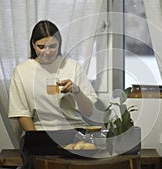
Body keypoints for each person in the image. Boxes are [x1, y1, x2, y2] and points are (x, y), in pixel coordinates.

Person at [8, 20, 97, 169]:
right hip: (40, 133)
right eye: (41, 47)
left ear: (59, 45)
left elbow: (89, 112)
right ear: (33, 45)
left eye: (52, 46)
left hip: (74, 131)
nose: (47, 52)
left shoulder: (72, 66)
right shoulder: (22, 71)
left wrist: (76, 91)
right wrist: (36, 140)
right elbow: (22, 113)